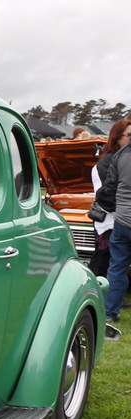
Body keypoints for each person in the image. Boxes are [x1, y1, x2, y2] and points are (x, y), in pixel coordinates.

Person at [95, 121, 131, 337]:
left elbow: (108, 190)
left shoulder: (119, 157)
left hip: (123, 220)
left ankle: (110, 312)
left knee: (117, 266)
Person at [89, 120, 131, 278]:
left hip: (122, 220)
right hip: (107, 222)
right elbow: (105, 196)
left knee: (119, 262)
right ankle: (96, 296)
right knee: (102, 261)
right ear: (117, 137)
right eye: (129, 135)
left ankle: (114, 298)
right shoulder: (106, 163)